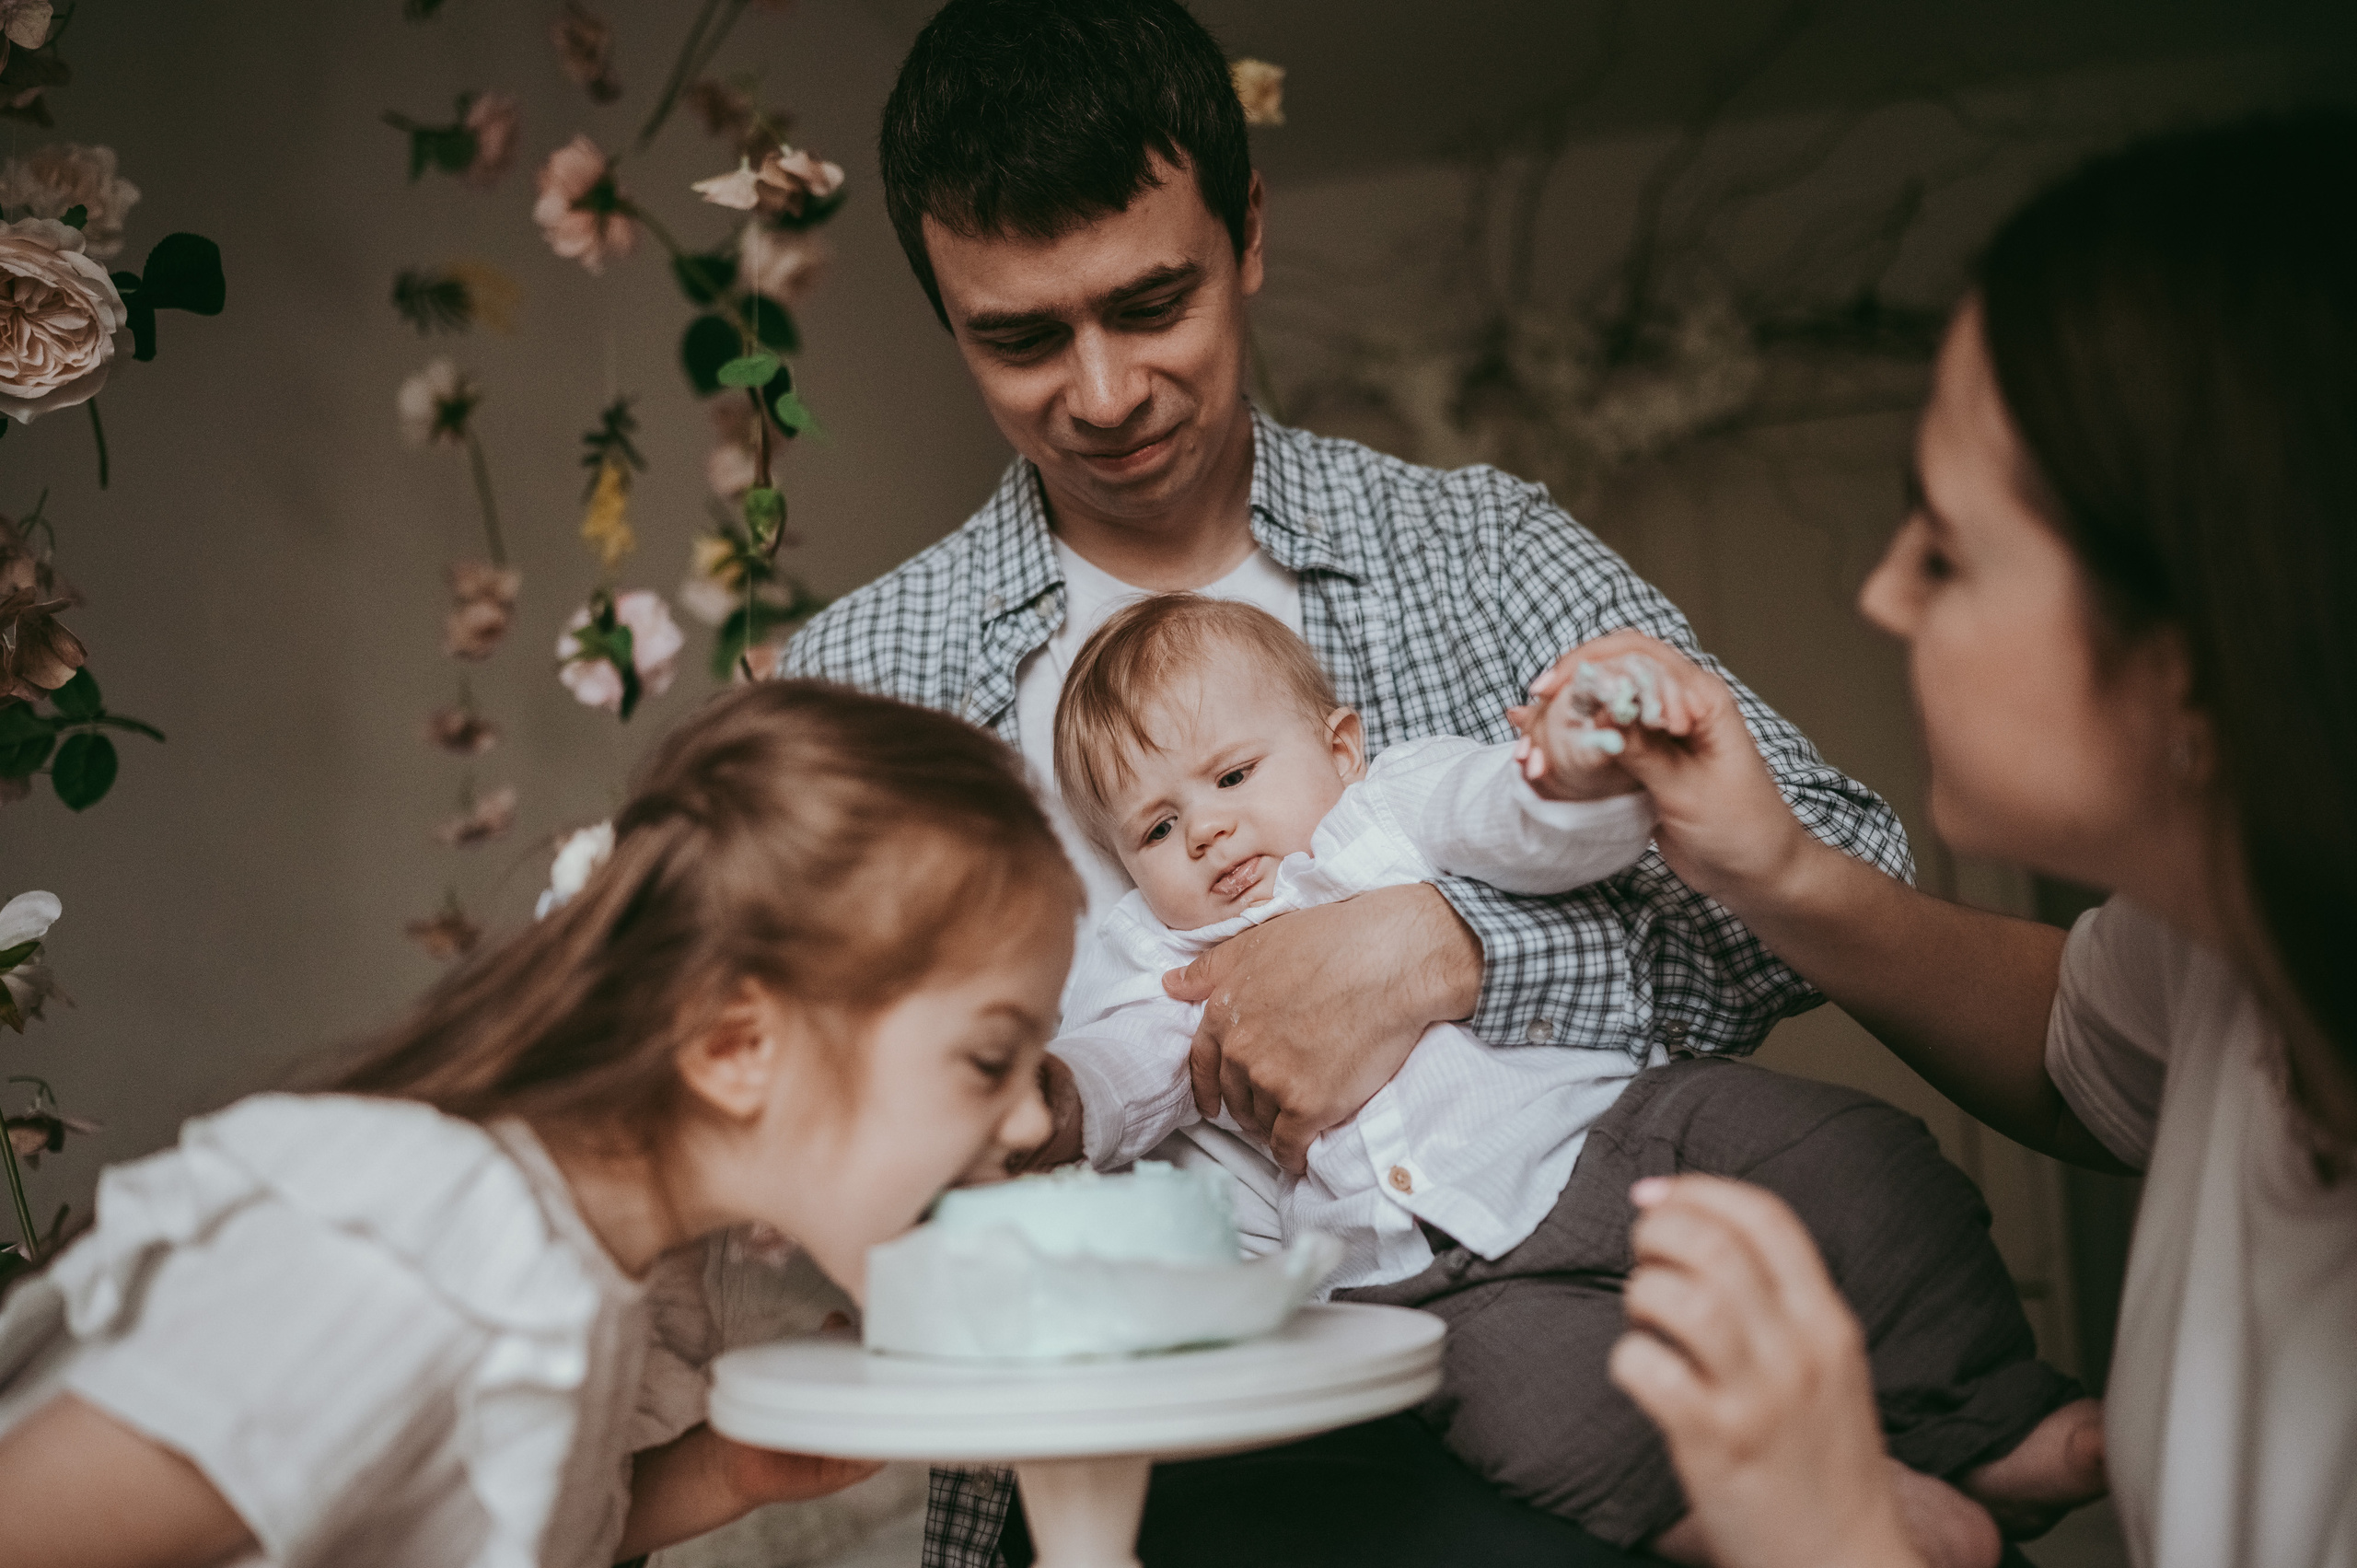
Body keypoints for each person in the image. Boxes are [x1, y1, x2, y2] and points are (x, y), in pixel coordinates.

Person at [785, 3, 1912, 1557]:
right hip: (1129, 1498)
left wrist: (1450, 948)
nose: (1103, 393)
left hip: (1562, 1399)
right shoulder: (857, 681)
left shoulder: (1480, 549)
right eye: (1023, 337)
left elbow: (1844, 866)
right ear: (944, 314)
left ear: (1246, 233)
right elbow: (788, 1152)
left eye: (1152, 302)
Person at [1553, 116, 2357, 1568]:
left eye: (1944, 547)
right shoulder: (2235, 953)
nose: (1881, 591)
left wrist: (1842, 1539)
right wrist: (1772, 867)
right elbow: (2083, 1046)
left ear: (2189, 654)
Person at [1033, 593, 2096, 1568]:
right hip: (1420, 1279)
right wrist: (1055, 1097)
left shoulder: (1392, 808)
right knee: (1548, 1420)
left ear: (1340, 746)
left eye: (1230, 777)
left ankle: (1986, 1415)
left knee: (1850, 1158)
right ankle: (1807, 1523)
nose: (1207, 828)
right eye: (1157, 827)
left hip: (1612, 1136)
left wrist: (1574, 769)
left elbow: (1522, 823)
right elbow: (1125, 1063)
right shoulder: (1161, 955)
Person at [0, 681, 1084, 1567]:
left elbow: (466, 1518)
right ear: (733, 1044)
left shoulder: (609, 1270)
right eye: (990, 1057)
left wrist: (718, 1472)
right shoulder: (406, 1270)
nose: (1035, 1112)